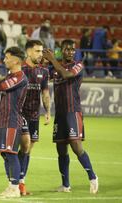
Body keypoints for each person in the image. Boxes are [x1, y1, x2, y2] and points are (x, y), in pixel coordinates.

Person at [42, 39, 98, 194]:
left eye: (73, 49)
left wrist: (52, 59)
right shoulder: (54, 68)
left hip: (73, 112)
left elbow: (66, 75)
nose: (70, 52)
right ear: (61, 50)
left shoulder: (78, 65)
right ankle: (65, 185)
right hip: (59, 114)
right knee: (61, 149)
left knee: (76, 146)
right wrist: (42, 61)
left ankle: (93, 177)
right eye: (67, 49)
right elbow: (44, 78)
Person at [0, 47, 28, 198]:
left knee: (11, 153)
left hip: (12, 121)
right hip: (4, 120)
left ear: (16, 60)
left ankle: (15, 187)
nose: (4, 60)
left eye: (7, 57)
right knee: (5, 153)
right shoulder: (11, 76)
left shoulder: (19, 77)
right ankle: (11, 185)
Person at [18, 40, 50, 195]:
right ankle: (17, 182)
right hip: (20, 114)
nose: (40, 54)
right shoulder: (20, 69)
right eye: (37, 51)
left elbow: (45, 92)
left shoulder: (43, 71)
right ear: (29, 52)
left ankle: (20, 181)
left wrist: (48, 111)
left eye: (41, 51)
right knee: (24, 145)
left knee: (28, 148)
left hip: (35, 115)